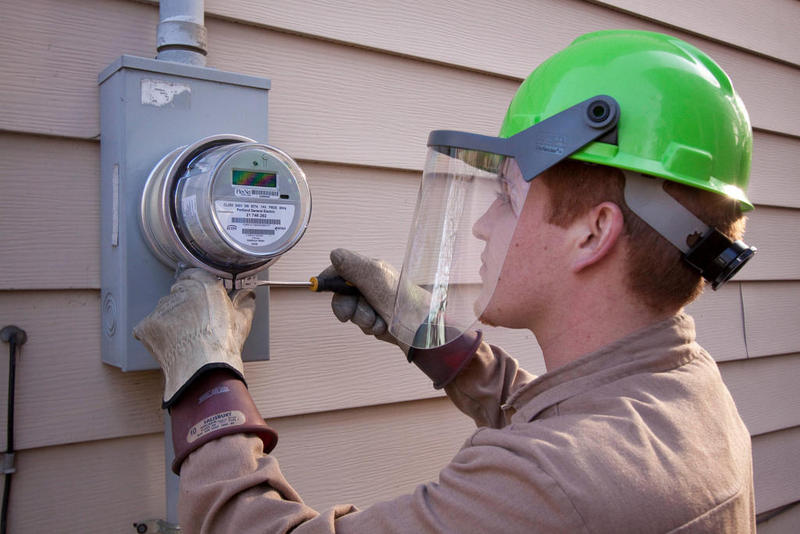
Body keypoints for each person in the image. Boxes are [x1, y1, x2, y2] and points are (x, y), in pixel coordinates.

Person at [134, 30, 757, 533]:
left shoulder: (553, 484)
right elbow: (566, 414)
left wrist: (206, 379)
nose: (484, 226)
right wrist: (439, 342)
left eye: (508, 198)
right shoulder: (686, 390)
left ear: (592, 234)